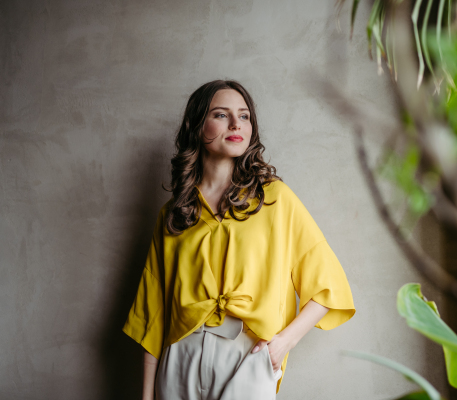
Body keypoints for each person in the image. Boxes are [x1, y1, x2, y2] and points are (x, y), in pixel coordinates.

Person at [122, 79, 356, 400]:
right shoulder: (174, 214)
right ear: (196, 124)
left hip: (247, 355)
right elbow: (153, 318)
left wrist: (283, 344)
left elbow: (329, 287)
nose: (236, 124)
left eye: (244, 116)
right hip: (180, 358)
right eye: (221, 114)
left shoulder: (275, 199)